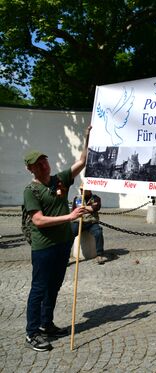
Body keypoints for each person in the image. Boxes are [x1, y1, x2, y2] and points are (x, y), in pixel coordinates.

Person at [22, 126, 91, 352]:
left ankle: (47, 324)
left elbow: (82, 162)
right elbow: (39, 221)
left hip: (62, 245)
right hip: (44, 248)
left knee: (54, 287)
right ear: (30, 168)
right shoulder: (31, 191)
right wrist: (70, 216)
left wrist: (87, 137)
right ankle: (32, 333)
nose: (44, 165)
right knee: (39, 288)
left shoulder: (59, 179)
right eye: (38, 163)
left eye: (45, 160)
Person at [71, 186, 106, 264]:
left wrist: (83, 208)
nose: (81, 190)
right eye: (80, 189)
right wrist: (88, 208)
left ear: (89, 190)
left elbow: (95, 208)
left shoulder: (96, 198)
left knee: (98, 232)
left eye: (83, 189)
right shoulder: (77, 198)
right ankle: (65, 257)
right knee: (69, 234)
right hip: (79, 222)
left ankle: (99, 255)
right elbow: (74, 210)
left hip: (91, 222)